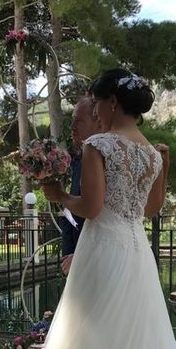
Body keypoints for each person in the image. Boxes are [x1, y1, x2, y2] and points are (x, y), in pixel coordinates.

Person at [40, 68, 175, 349]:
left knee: (91, 334)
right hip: (137, 253)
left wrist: (60, 195)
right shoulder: (152, 153)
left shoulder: (98, 144)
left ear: (112, 102)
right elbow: (151, 209)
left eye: (97, 103)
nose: (96, 112)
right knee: (133, 332)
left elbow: (92, 207)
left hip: (102, 247)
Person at [60, 94, 101, 275]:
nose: (72, 127)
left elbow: (95, 213)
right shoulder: (79, 160)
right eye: (72, 120)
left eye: (79, 121)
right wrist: (69, 252)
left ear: (98, 121)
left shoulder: (109, 159)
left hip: (97, 260)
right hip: (75, 257)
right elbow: (71, 211)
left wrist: (80, 256)